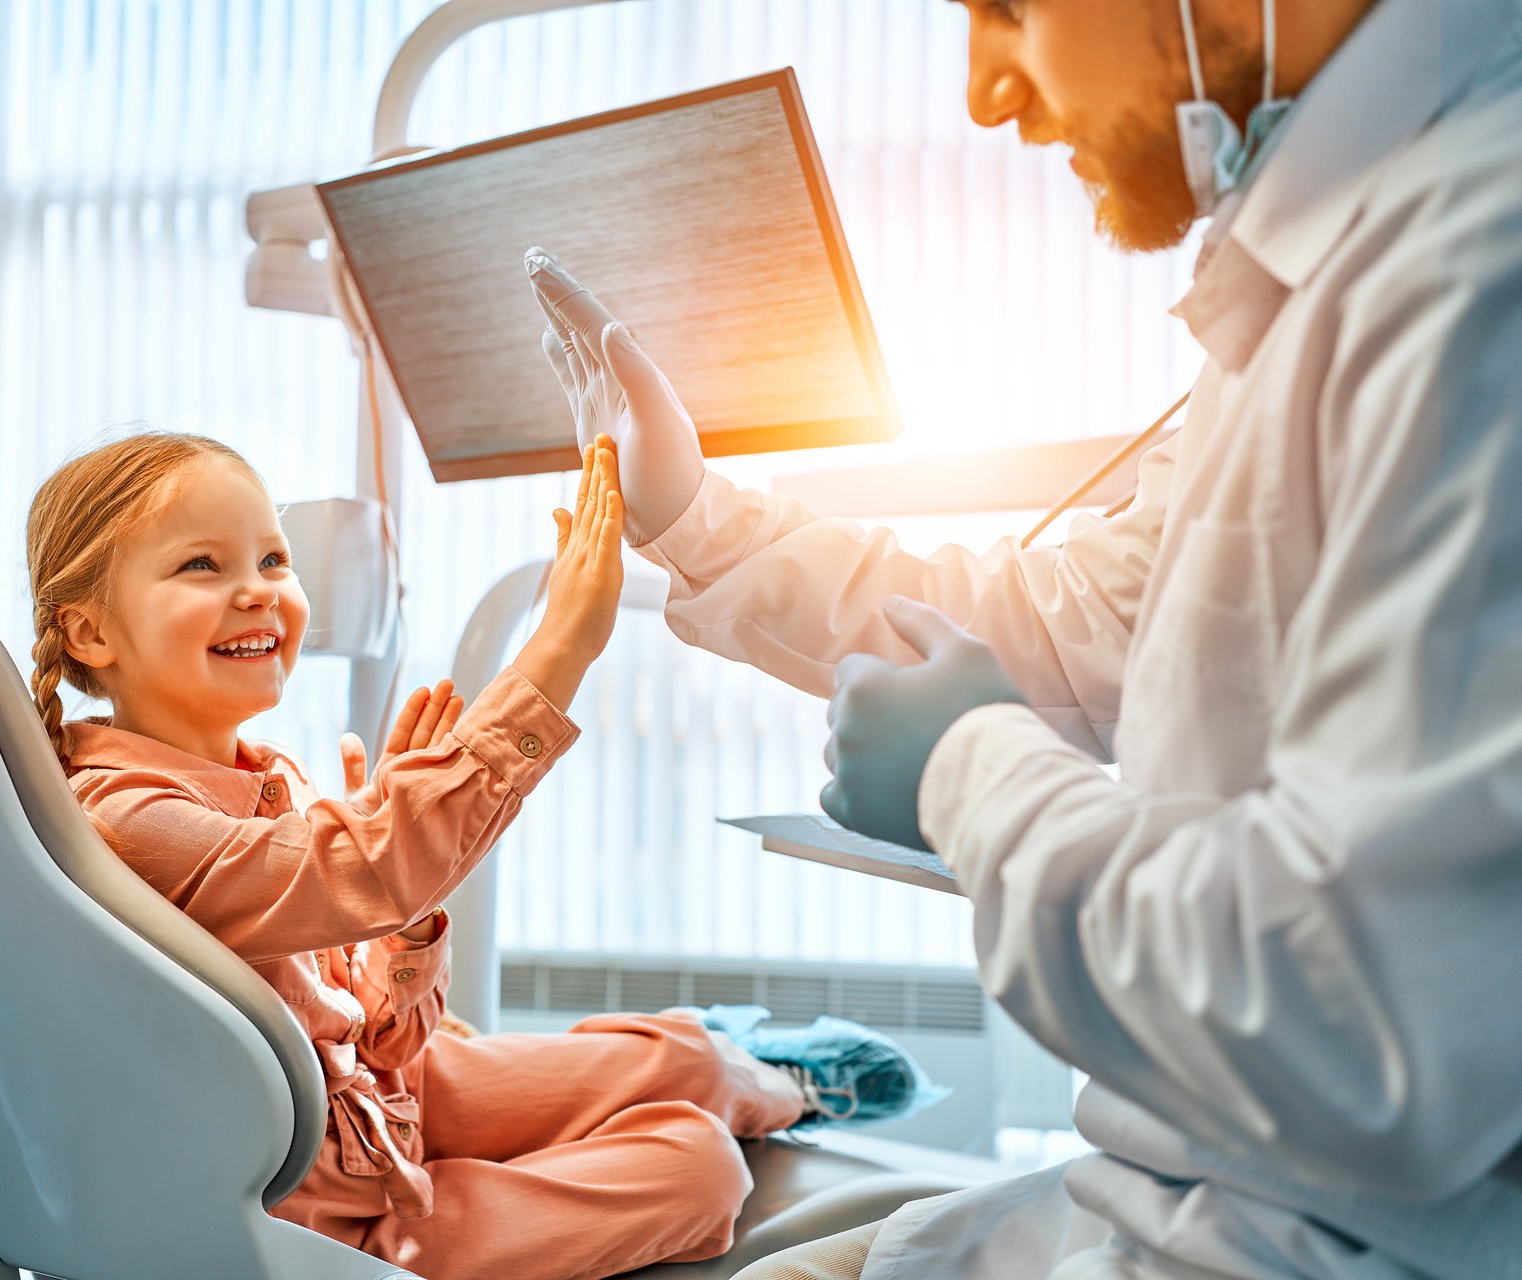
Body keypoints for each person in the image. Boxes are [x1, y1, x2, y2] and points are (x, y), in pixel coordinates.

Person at [526, 0, 1522, 1275]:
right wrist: (698, 517)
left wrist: (969, 773)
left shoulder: (1470, 272)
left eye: (1010, 9)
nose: (988, 92)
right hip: (1203, 1183)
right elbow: (1078, 620)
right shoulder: (1333, 262)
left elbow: (1374, 1019)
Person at [21, 430, 910, 1280]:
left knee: (693, 1064)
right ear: (92, 632)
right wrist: (559, 648)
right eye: (201, 565)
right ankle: (756, 1091)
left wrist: (402, 918)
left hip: (382, 1094)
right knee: (700, 1167)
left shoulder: (271, 776)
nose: (258, 590)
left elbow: (387, 1030)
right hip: (327, 1222)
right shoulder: (120, 818)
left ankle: (763, 1073)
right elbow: (355, 869)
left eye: (273, 559)